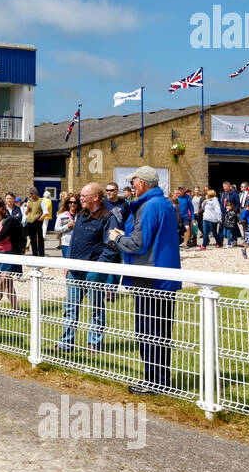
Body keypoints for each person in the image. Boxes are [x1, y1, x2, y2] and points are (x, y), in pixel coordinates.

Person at [109, 166, 181, 395]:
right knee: (160, 332)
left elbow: (138, 243)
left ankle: (155, 382)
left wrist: (118, 237)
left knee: (148, 331)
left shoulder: (149, 206)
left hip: (150, 275)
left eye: (134, 182)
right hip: (163, 275)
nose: (132, 186)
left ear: (142, 183)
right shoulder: (164, 204)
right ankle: (160, 381)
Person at [58, 182, 119, 353]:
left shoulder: (108, 217)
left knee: (96, 309)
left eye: (84, 195)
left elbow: (112, 245)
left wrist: (98, 267)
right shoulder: (81, 215)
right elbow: (73, 242)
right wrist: (68, 263)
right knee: (69, 308)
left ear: (96, 197)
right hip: (75, 271)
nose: (80, 198)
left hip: (94, 272)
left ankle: (94, 344)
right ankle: (65, 344)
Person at [218, 181, 241, 248]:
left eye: (226, 186)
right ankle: (220, 241)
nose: (225, 188)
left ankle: (234, 240)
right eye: (224, 187)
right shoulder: (222, 194)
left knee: (232, 227)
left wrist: (235, 212)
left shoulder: (234, 194)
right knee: (221, 227)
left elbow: (237, 204)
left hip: (231, 213)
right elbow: (220, 203)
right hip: (223, 213)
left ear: (229, 186)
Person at [24, 187, 45, 256]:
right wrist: (27, 207)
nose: (31, 195)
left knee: (40, 239)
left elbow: (45, 212)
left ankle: (41, 254)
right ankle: (35, 254)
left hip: (37, 221)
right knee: (32, 239)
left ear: (36, 194)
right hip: (30, 222)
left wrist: (40, 219)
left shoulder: (41, 200)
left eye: (32, 194)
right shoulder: (29, 201)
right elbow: (26, 213)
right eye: (30, 194)